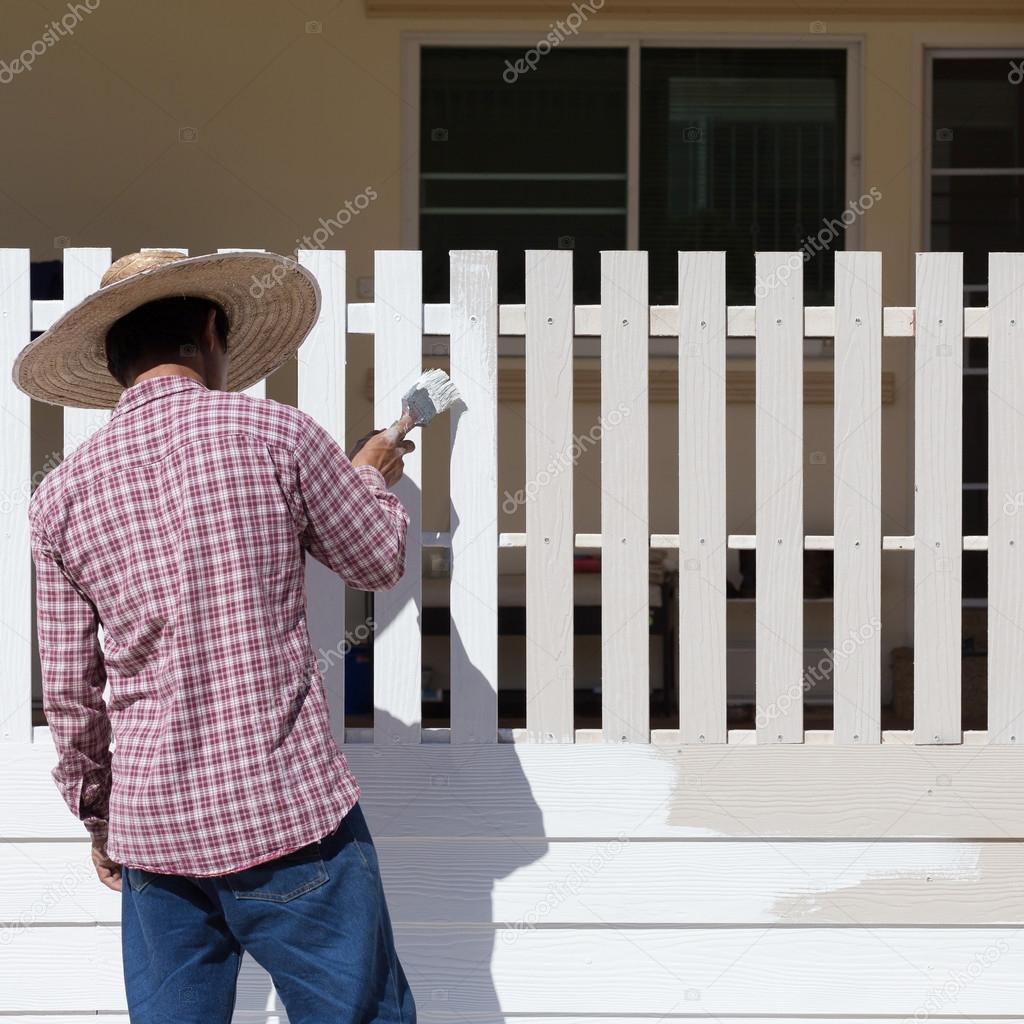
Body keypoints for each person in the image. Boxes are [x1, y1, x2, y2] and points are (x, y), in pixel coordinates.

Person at [13, 249, 418, 1023]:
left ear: (113, 360)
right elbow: (377, 557)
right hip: (286, 815)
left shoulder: (61, 495)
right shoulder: (276, 434)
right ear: (208, 330)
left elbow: (70, 694)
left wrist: (102, 820)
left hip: (153, 835)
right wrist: (367, 471)